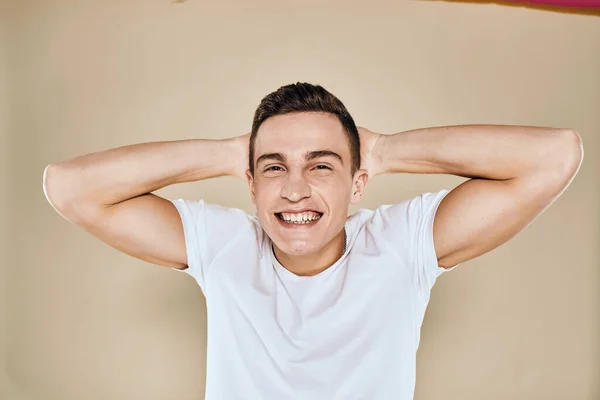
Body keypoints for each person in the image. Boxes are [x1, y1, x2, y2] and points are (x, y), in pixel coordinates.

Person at [42, 82, 583, 400]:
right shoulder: (224, 244)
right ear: (250, 184)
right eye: (274, 168)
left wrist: (388, 149)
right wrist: (231, 152)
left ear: (358, 181)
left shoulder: (400, 244)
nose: (295, 189)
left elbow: (556, 155)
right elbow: (69, 188)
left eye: (321, 166)